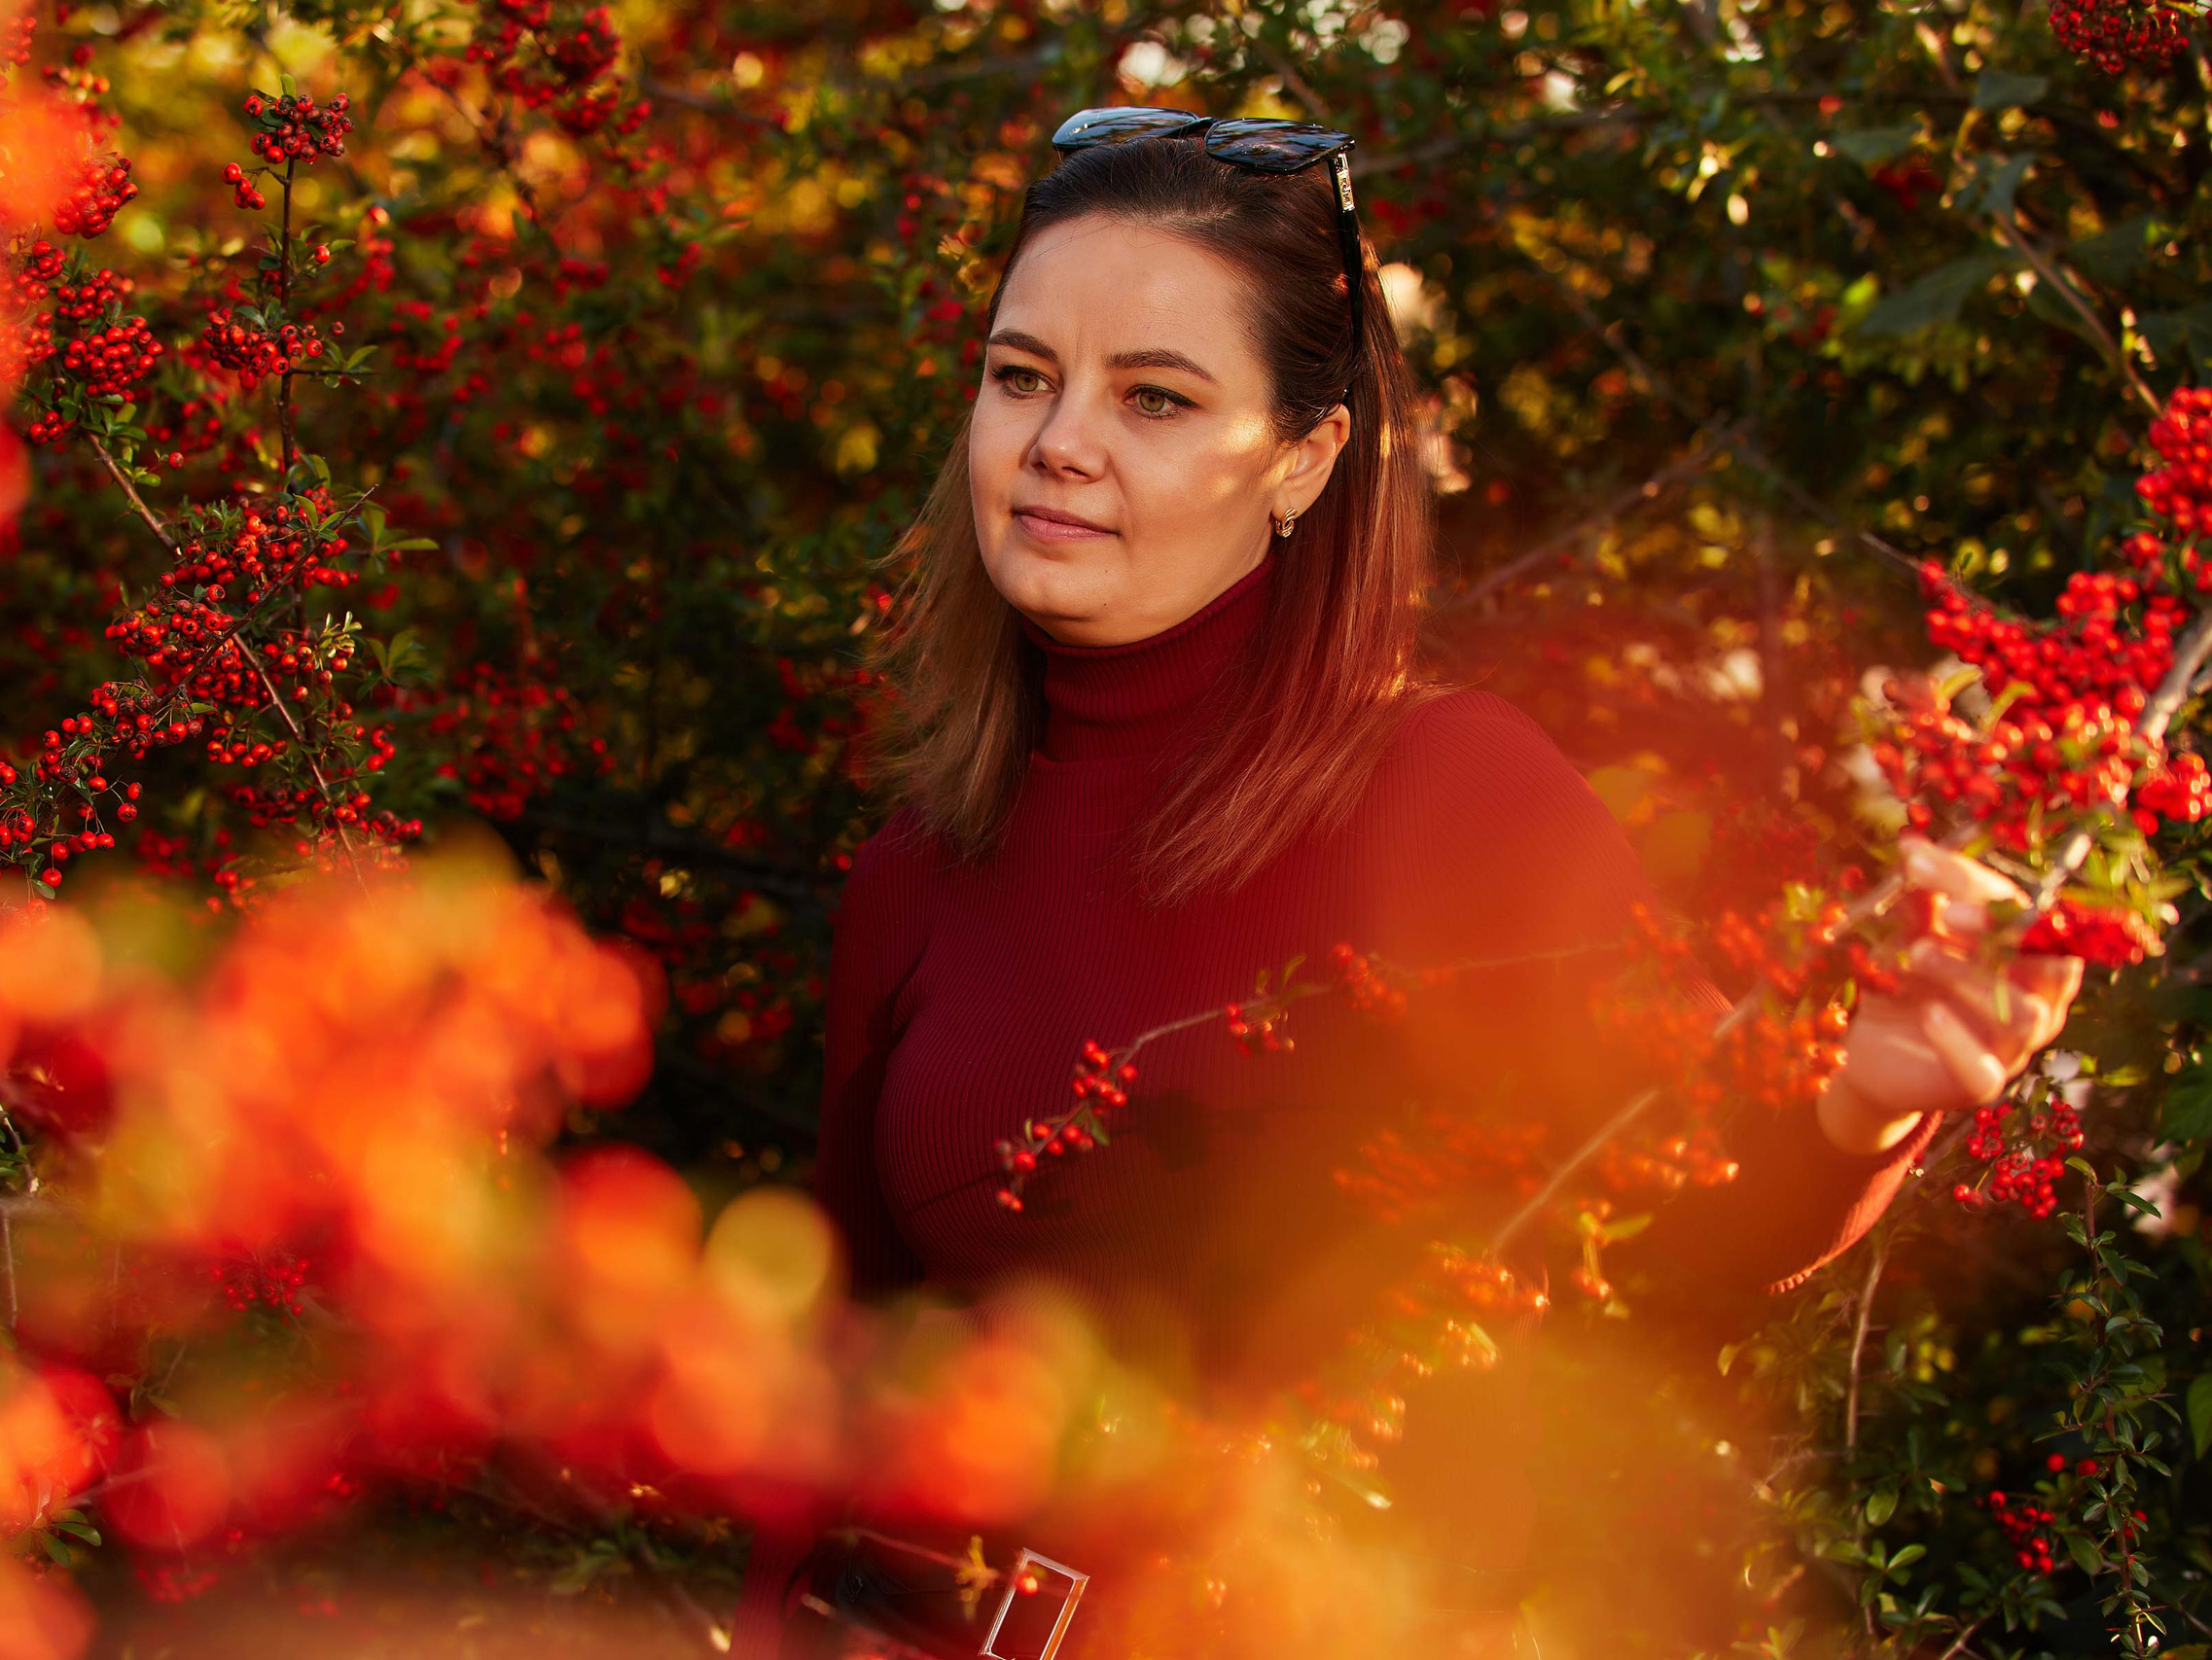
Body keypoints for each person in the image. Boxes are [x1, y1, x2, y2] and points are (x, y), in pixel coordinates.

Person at [728, 111, 2084, 1659]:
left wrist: (1863, 1103)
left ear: (1303, 462)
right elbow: (832, 1405)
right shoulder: (918, 866)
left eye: (1155, 397)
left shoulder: (1450, 793)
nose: (1058, 443)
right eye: (1020, 375)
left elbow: (1678, 1218)